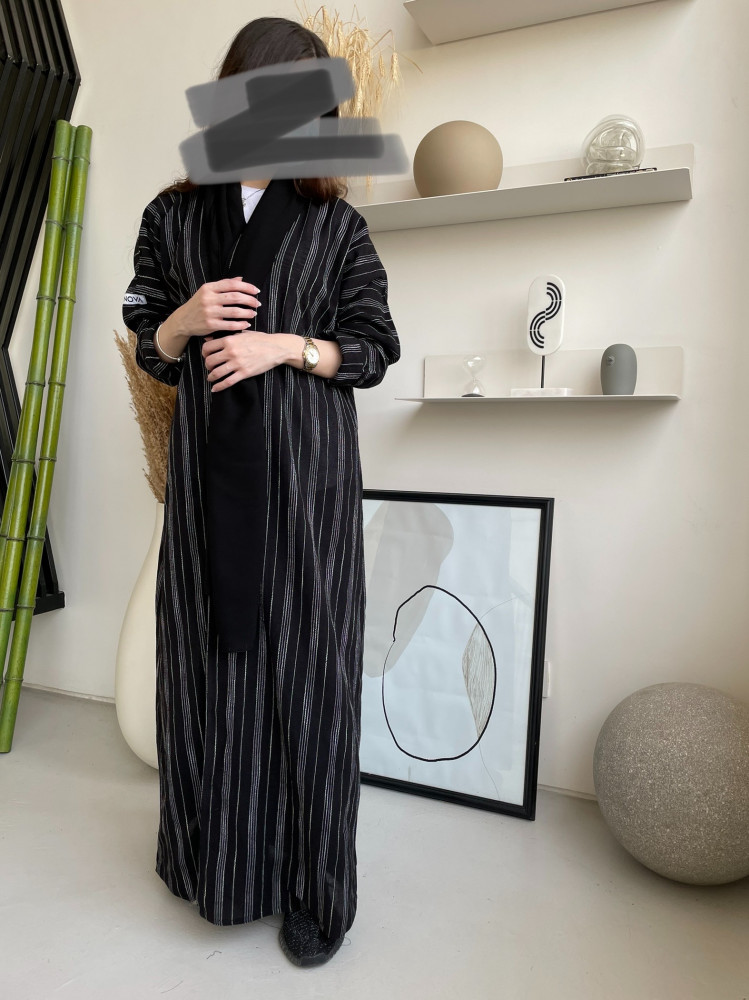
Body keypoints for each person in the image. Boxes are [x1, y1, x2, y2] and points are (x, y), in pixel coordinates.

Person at [121, 16, 400, 968]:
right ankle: (211, 865)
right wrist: (184, 321)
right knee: (204, 664)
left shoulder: (334, 223)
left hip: (307, 488)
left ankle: (312, 896)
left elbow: (373, 347)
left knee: (308, 675)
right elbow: (146, 337)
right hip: (209, 488)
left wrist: (286, 346)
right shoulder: (172, 218)